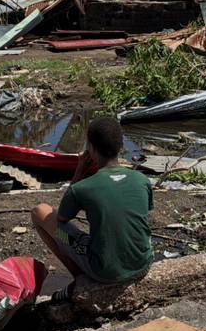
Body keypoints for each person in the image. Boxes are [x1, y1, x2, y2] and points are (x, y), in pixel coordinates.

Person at [31, 117, 153, 301]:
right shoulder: (141, 180)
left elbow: (62, 218)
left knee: (40, 212)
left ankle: (79, 277)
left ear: (92, 148)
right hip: (143, 263)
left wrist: (79, 171)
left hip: (105, 270)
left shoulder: (82, 187)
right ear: (120, 147)